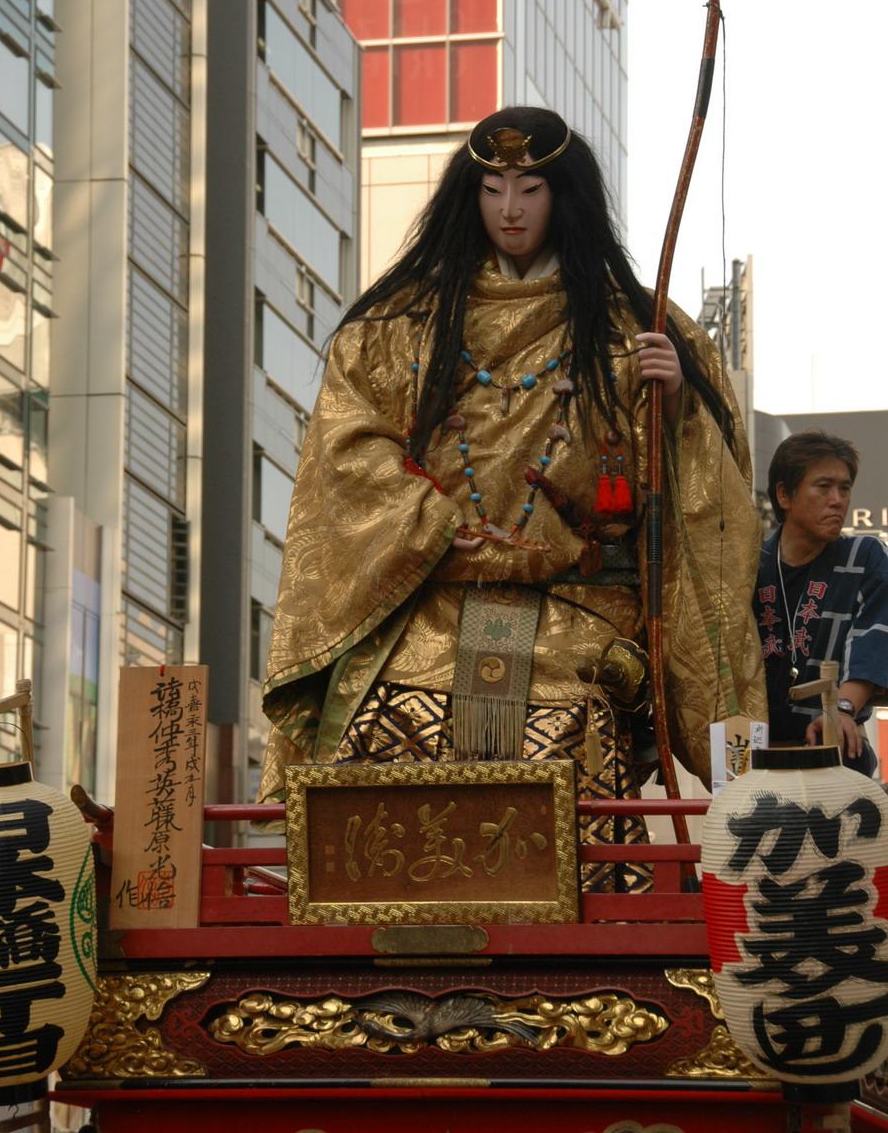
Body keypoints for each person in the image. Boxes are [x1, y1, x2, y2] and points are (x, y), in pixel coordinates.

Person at [258, 107, 766, 890]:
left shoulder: (637, 327)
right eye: (493, 188)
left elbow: (705, 502)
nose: (510, 209)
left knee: (566, 718)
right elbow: (346, 444)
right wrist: (426, 524)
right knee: (373, 714)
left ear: (564, 196)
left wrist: (674, 405)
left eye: (530, 188)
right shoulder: (398, 325)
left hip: (579, 605)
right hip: (427, 593)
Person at [755, 430, 888, 775]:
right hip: (754, 757)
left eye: (844, 488)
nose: (838, 499)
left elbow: (876, 635)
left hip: (836, 752)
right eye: (824, 486)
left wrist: (842, 709)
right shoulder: (748, 564)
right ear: (785, 494)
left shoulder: (864, 556)